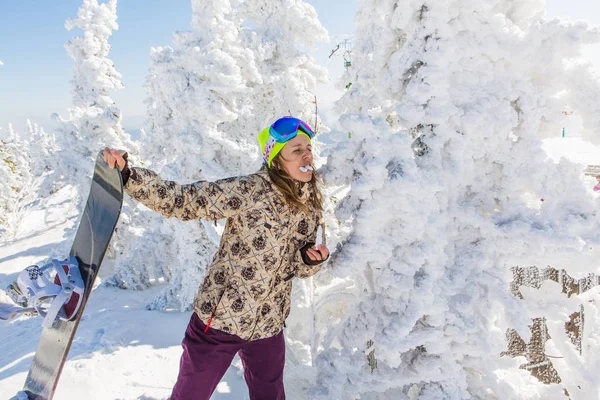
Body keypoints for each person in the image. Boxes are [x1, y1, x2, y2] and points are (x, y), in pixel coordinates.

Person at [103, 116, 329, 400]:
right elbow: (184, 201)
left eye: (308, 147)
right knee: (190, 395)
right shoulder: (251, 190)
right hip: (221, 319)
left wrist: (310, 261)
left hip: (268, 324)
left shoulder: (309, 205)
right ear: (276, 159)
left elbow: (294, 267)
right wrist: (129, 176)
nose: (307, 154)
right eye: (296, 149)